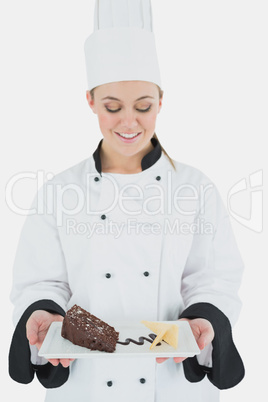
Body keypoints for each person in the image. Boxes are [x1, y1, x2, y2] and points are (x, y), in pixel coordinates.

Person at [9, 1, 245, 401]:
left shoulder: (193, 187)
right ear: (90, 101)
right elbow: (41, 281)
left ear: (161, 100)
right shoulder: (60, 191)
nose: (129, 122)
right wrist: (43, 315)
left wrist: (205, 318)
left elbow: (213, 278)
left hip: (169, 382)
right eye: (112, 107)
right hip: (86, 381)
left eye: (143, 106)